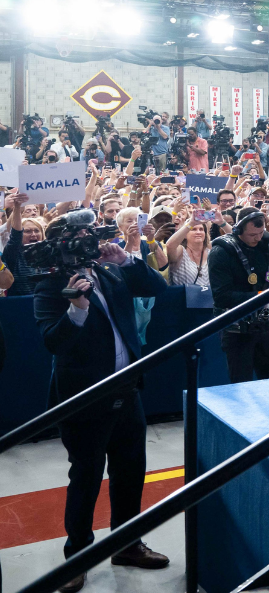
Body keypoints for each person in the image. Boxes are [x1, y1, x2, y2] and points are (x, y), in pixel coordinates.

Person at [32, 210, 171, 591]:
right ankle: (76, 558)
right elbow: (52, 342)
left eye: (89, 235)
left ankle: (127, 544)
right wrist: (76, 309)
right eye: (79, 237)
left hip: (127, 392)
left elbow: (158, 289)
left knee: (130, 473)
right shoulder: (50, 287)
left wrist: (126, 259)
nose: (89, 242)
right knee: (86, 477)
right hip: (82, 398)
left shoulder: (110, 272)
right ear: (62, 245)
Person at [208, 208, 269, 383]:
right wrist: (261, 296)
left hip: (266, 325)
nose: (258, 238)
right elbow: (222, 296)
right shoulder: (221, 252)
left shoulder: (266, 247)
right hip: (237, 328)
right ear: (237, 230)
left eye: (261, 233)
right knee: (241, 383)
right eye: (252, 234)